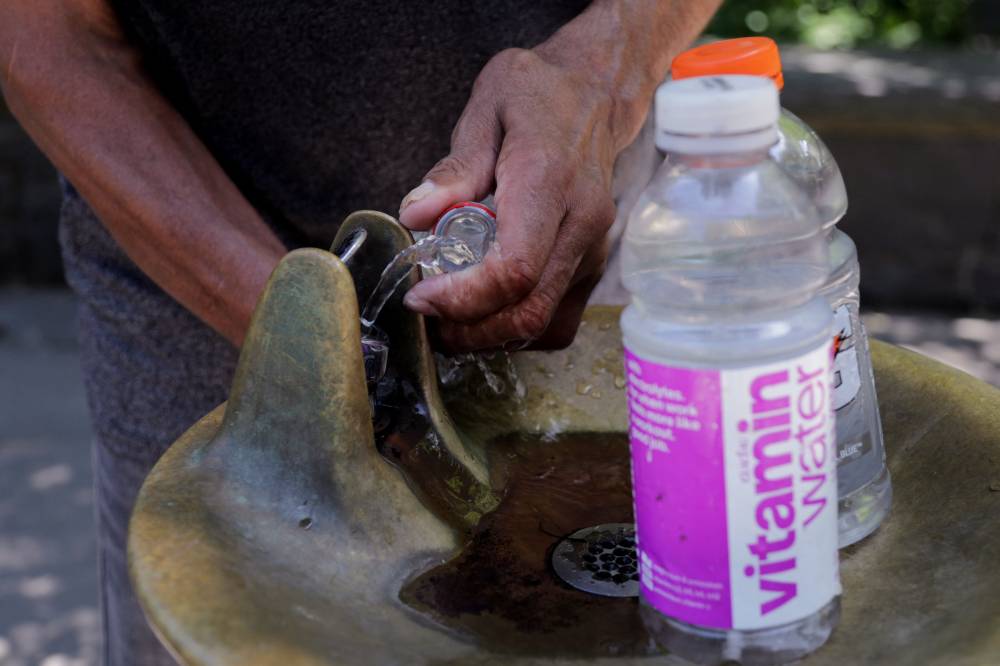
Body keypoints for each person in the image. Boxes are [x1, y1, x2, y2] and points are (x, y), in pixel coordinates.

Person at [0, 1, 722, 663]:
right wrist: (300, 343)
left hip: (575, 210)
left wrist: (606, 62)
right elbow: (43, 35)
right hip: (189, 265)